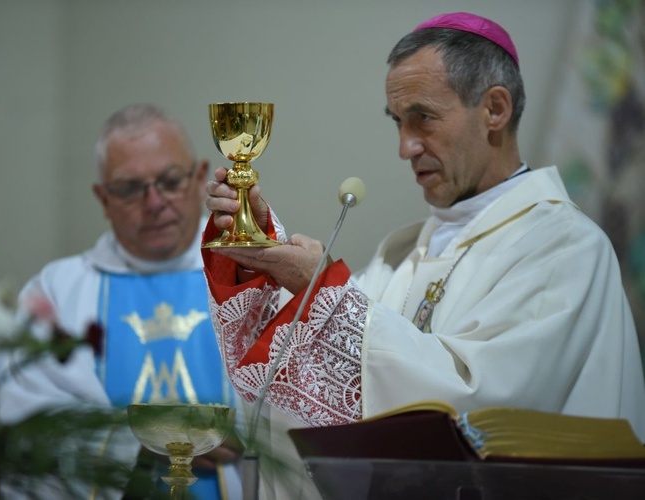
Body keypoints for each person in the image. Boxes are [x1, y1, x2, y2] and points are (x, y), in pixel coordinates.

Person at [201, 12, 645, 500]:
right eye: (398, 121)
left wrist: (321, 288)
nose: (405, 147)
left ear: (494, 109)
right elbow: (314, 379)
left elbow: (478, 407)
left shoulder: (563, 247)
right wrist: (258, 253)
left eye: (423, 118)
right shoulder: (404, 252)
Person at [0, 103, 243, 499]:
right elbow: (24, 418)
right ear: (103, 198)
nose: (154, 202)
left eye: (170, 180)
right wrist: (143, 440)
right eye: (129, 189)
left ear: (199, 178)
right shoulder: (56, 292)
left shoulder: (247, 271)